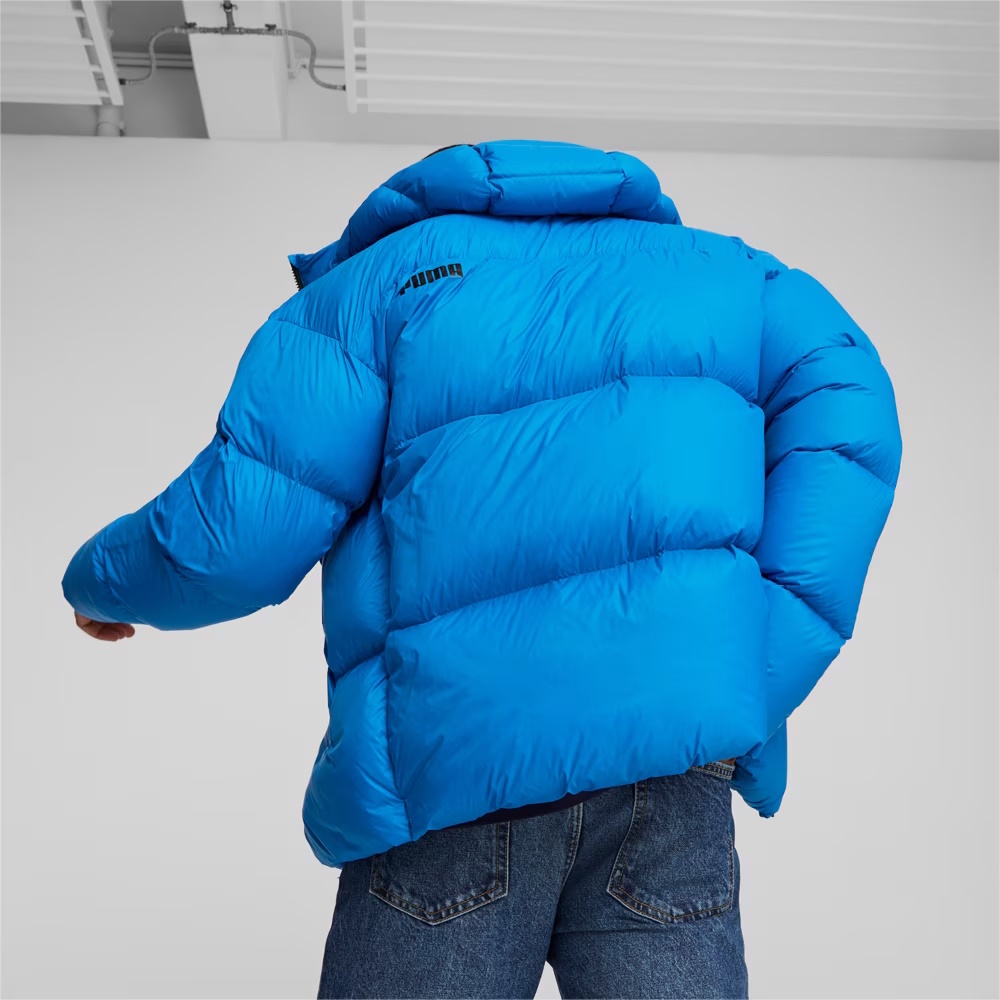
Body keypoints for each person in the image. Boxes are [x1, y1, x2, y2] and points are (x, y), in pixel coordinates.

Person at [62, 139, 902, 999]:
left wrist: (100, 581)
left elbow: (237, 529)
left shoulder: (377, 283)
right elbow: (851, 409)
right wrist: (751, 654)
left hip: (452, 751)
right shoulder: (733, 276)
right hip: (673, 760)